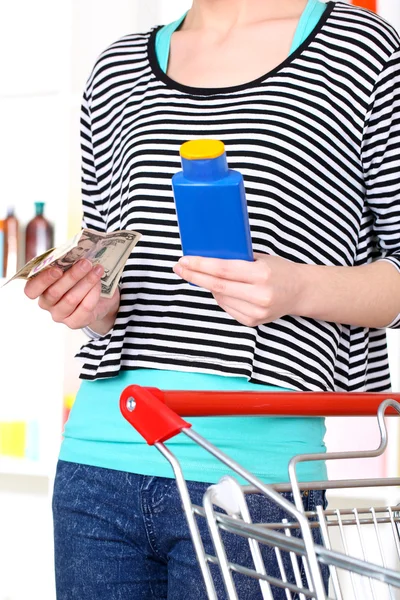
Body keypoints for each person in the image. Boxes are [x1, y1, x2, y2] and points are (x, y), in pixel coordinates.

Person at [24, 0, 400, 598]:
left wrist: (297, 286)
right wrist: (93, 307)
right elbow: (109, 261)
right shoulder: (116, 67)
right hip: (98, 465)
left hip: (257, 480)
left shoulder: (363, 52)